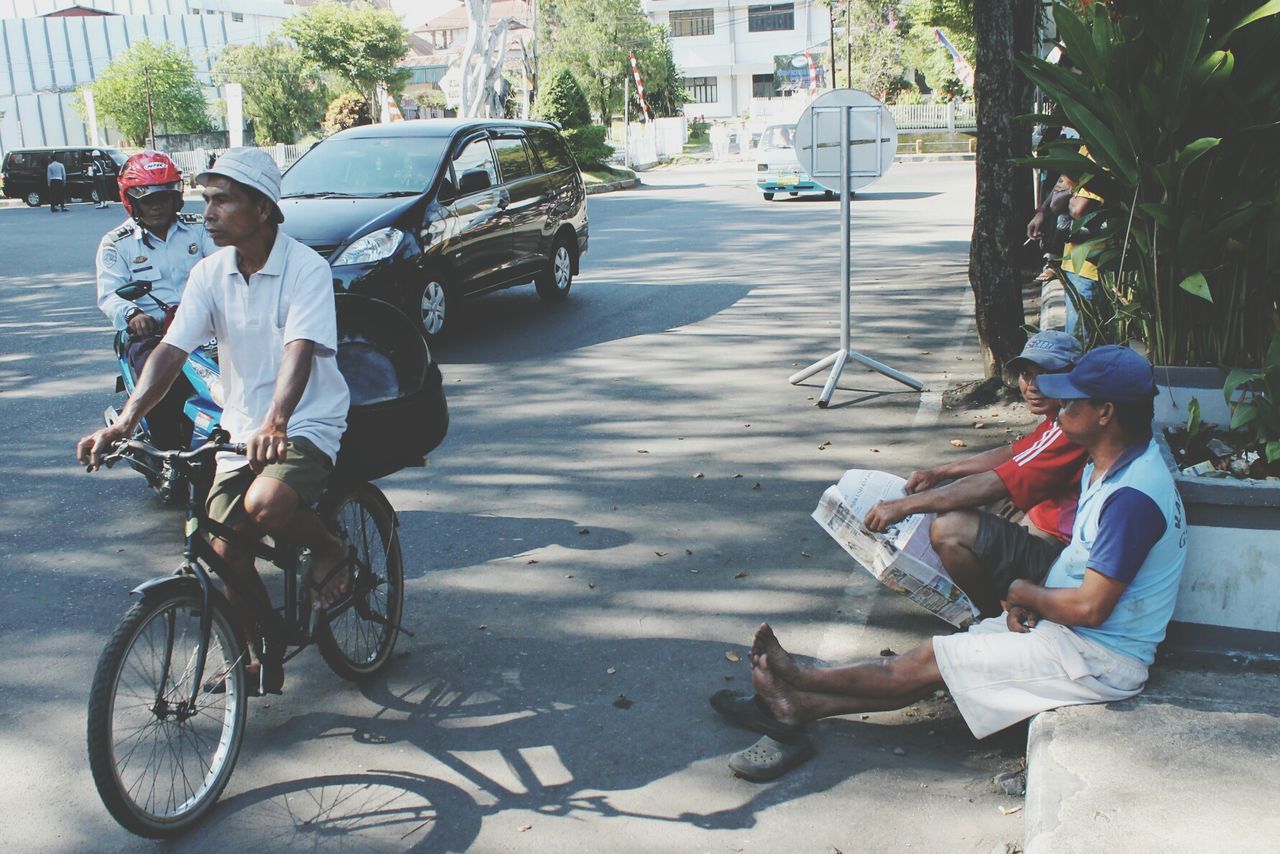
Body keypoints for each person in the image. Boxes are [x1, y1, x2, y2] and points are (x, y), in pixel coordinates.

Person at [710, 346, 1187, 782]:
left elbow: (1090, 608)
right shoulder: (1108, 463)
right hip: (1069, 636)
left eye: (1071, 402)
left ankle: (797, 676)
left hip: (1098, 659)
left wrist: (1022, 592)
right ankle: (796, 707)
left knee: (927, 661)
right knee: (934, 665)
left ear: (1106, 413)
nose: (1059, 408)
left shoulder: (1131, 498)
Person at [78, 147, 353, 696]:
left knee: (264, 505)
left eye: (223, 200)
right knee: (222, 550)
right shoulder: (210, 272)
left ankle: (330, 549)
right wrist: (126, 421)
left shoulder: (305, 268)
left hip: (304, 420)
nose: (208, 212)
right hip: (239, 425)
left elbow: (300, 349)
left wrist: (276, 422)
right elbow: (172, 350)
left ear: (264, 209)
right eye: (207, 199)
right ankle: (259, 648)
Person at [863, 331, 1088, 616]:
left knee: (950, 527)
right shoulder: (1061, 415)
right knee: (959, 496)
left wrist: (904, 506)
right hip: (1042, 522)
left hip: (1061, 550)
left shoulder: (1073, 427)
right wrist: (940, 472)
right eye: (1026, 375)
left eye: (1045, 375)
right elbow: (1014, 454)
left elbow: (997, 481)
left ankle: (991, 619)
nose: (1032, 386)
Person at [96, 151, 218, 450]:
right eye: (148, 200)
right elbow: (109, 294)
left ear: (175, 199)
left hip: (205, 326)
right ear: (133, 202)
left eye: (163, 198)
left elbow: (223, 267)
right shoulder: (117, 242)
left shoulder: (200, 228)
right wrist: (133, 314)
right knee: (162, 384)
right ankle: (168, 453)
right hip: (152, 332)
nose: (157, 206)